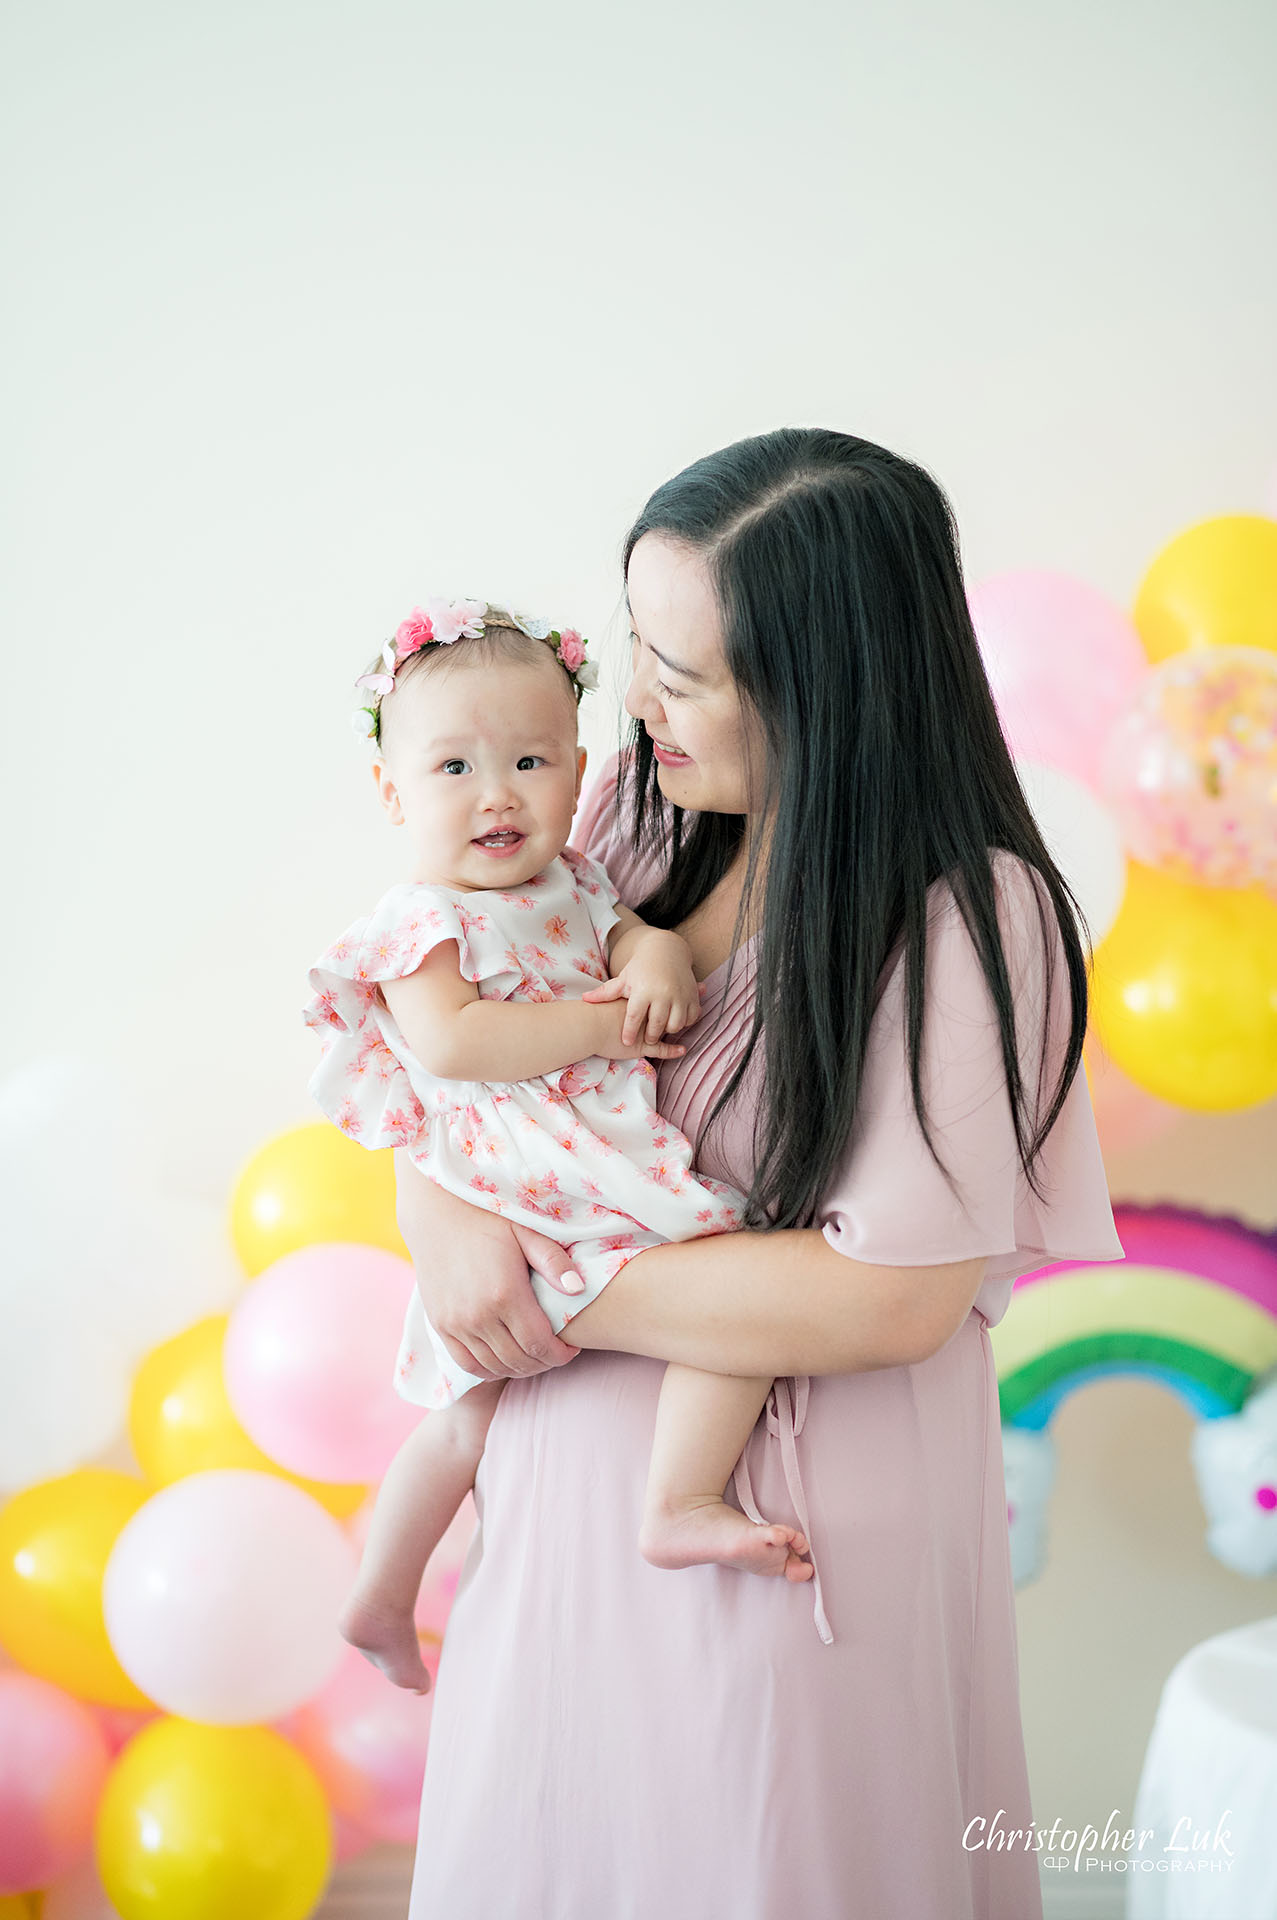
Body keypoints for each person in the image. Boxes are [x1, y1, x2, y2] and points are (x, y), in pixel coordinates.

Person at [393, 430, 1125, 1919]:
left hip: (785, 1571)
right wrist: (446, 1217)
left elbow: (888, 1299)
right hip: (562, 1543)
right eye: (637, 651)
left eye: (690, 675)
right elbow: (452, 1066)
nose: (634, 708)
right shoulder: (622, 828)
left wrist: (555, 1286)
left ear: (827, 684)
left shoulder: (970, 919)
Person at [302, 598, 820, 1697]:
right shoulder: (418, 919)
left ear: (579, 772)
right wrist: (603, 1021)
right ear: (393, 792)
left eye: (529, 760)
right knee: (722, 1275)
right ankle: (385, 1593)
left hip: (578, 1150)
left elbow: (626, 930)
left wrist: (655, 957)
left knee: (481, 1412)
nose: (496, 793)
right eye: (453, 768)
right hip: (525, 1166)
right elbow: (450, 1043)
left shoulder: (576, 881)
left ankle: (663, 1503)